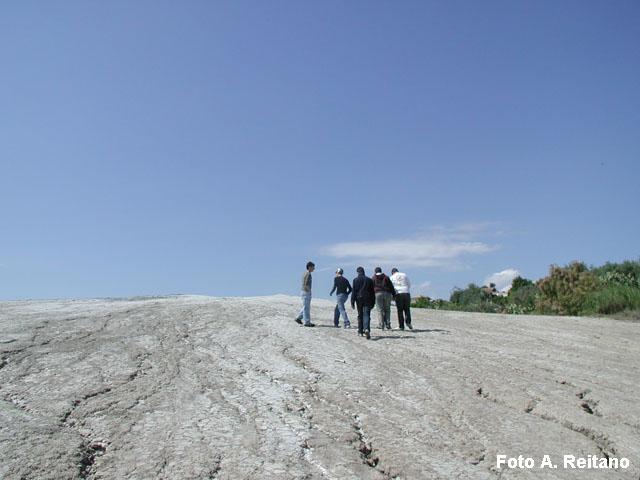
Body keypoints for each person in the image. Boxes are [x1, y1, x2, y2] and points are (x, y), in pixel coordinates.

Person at [351, 267, 375, 339]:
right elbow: (372, 292)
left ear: (358, 272)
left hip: (359, 298)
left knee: (360, 314)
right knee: (366, 314)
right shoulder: (369, 280)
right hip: (367, 298)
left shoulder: (355, 280)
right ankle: (366, 328)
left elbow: (354, 291)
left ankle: (360, 331)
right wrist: (373, 302)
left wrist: (352, 301)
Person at [295, 262, 315, 327]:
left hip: (304, 291)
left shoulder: (305, 274)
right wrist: (309, 291)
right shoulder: (308, 274)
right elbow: (306, 284)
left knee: (305, 306)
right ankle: (307, 322)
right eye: (312, 267)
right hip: (306, 291)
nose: (314, 268)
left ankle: (299, 317)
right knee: (306, 307)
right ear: (309, 267)